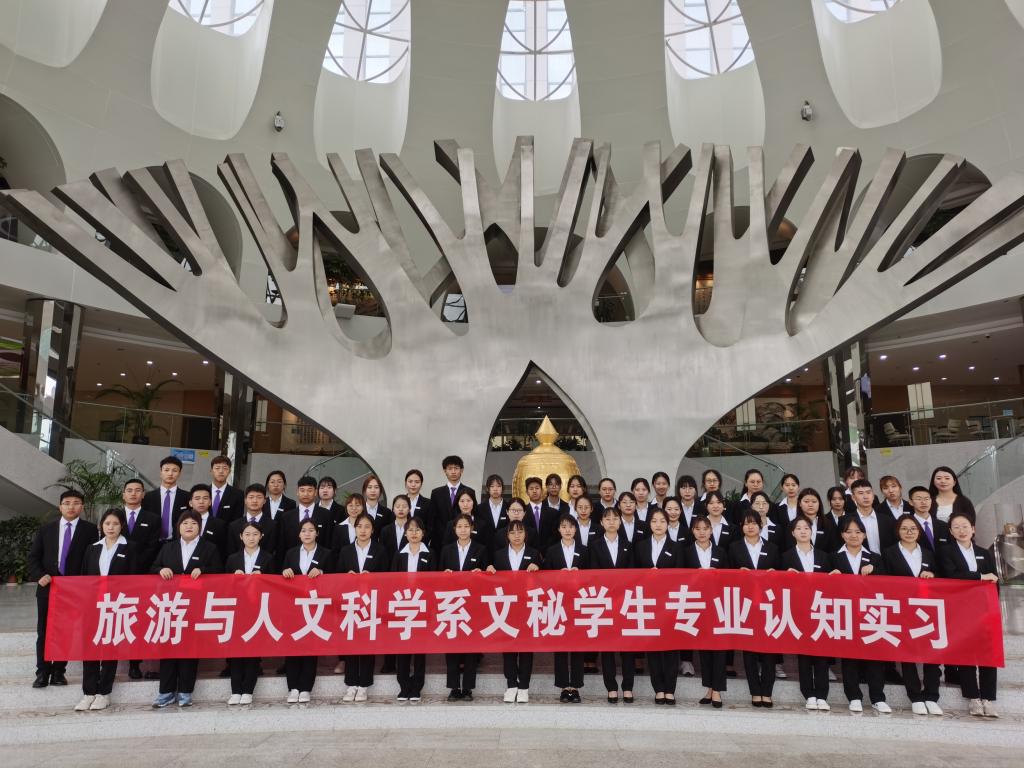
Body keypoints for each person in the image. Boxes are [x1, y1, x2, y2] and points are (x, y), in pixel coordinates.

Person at [28, 489, 98, 689]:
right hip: (48, 588)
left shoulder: (90, 530)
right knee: (44, 631)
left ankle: (59, 671)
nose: (71, 507)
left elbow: (92, 558)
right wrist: (39, 575)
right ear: (60, 506)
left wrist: (85, 584)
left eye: (76, 503)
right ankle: (42, 672)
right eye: (67, 503)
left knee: (66, 631)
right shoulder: (46, 529)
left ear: (81, 507)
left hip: (74, 590)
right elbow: (33, 557)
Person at [150, 509, 221, 707]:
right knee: (168, 648)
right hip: (171, 606)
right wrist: (160, 569)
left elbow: (220, 571)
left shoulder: (209, 548)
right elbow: (153, 567)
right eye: (185, 523)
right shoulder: (168, 547)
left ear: (200, 527)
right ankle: (166, 692)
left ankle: (185, 692)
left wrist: (204, 570)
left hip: (196, 606)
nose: (189, 526)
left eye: (194, 523)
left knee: (190, 649)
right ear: (178, 527)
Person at [938, 510, 999, 717]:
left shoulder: (984, 552)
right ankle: (973, 697)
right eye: (956, 527)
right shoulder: (946, 551)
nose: (961, 530)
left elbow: (994, 579)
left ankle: (988, 698)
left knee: (988, 654)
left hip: (984, 609)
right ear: (951, 531)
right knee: (966, 653)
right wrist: (980, 577)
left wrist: (994, 606)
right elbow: (952, 575)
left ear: (973, 529)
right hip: (960, 609)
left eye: (965, 526)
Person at [882, 515, 943, 715]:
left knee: (932, 653)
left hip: (927, 610)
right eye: (904, 528)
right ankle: (915, 696)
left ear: (919, 531)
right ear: (897, 531)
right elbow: (885, 581)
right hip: (902, 608)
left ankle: (932, 695)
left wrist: (932, 575)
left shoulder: (928, 553)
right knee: (907, 653)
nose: (909, 532)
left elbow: (940, 576)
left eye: (913, 529)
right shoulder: (889, 553)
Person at [77, 508, 135, 710]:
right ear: (101, 526)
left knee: (110, 647)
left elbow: (135, 579)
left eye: (115, 524)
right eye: (107, 523)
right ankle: (88, 692)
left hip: (116, 604)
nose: (111, 527)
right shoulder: (92, 548)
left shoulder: (130, 548)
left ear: (122, 526)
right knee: (90, 647)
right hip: (93, 605)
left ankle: (104, 692)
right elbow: (84, 577)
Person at [830, 515, 889, 713]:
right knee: (849, 657)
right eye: (849, 532)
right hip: (845, 612)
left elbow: (887, 586)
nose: (853, 535)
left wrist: (875, 571)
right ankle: (853, 696)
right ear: (842, 535)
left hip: (871, 613)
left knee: (874, 656)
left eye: (858, 532)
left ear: (864, 535)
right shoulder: (834, 557)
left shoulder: (875, 558)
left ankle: (877, 697)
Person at [728, 510, 779, 706]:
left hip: (768, 604)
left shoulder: (773, 548)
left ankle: (767, 691)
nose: (750, 527)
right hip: (745, 604)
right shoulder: (734, 548)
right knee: (748, 649)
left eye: (754, 523)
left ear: (761, 525)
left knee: (769, 648)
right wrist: (737, 573)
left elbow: (781, 575)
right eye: (746, 523)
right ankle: (755, 692)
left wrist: (775, 574)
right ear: (741, 527)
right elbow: (727, 574)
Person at [336, 512, 389, 701]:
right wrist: (347, 577)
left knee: (367, 643)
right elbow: (337, 576)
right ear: (354, 529)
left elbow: (387, 577)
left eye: (367, 527)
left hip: (371, 603)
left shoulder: (380, 550)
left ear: (373, 530)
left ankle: (364, 684)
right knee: (351, 643)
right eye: (359, 526)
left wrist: (372, 578)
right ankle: (351, 684)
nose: (363, 530)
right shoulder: (346, 551)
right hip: (350, 603)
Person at [781, 516, 831, 711]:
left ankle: (822, 695)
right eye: (799, 528)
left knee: (821, 654)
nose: (803, 531)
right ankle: (808, 694)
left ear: (812, 531)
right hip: (798, 610)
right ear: (793, 533)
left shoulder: (823, 556)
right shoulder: (786, 556)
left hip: (820, 609)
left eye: (806, 528)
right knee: (804, 655)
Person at [488, 519, 541, 703]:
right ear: (507, 535)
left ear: (526, 534)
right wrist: (490, 569)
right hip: (506, 608)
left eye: (520, 532)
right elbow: (492, 580)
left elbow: (545, 579)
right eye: (512, 532)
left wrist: (538, 568)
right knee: (508, 647)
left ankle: (524, 686)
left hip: (528, 606)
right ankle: (511, 684)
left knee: (526, 648)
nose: (516, 536)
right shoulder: (499, 555)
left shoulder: (534, 554)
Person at [224, 520, 275, 705]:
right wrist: (233, 578)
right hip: (237, 609)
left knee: (253, 651)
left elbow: (276, 585)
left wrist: (263, 578)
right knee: (236, 651)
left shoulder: (268, 558)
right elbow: (222, 586)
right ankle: (235, 690)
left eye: (255, 534)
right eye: (247, 534)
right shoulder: (232, 559)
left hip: (259, 609)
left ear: (261, 536)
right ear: (241, 536)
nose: (251, 538)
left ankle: (248, 690)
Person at [588, 505, 635, 703]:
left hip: (624, 601)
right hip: (604, 601)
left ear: (620, 522)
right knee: (607, 645)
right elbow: (593, 572)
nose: (611, 522)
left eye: (615, 519)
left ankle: (628, 687)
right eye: (607, 519)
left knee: (627, 646)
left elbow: (632, 573)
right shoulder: (595, 545)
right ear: (601, 522)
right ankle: (611, 687)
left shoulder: (628, 545)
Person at [281, 518, 330, 703]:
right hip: (294, 607)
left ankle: (305, 688)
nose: (307, 533)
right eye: (303, 530)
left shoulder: (326, 553)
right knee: (292, 646)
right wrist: (285, 572)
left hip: (316, 607)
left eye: (311, 530)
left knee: (310, 647)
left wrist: (322, 573)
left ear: (317, 533)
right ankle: (293, 687)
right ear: (299, 534)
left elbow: (335, 577)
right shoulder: (291, 553)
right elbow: (281, 575)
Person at [681, 515, 728, 707]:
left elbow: (729, 578)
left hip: (718, 605)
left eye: (705, 528)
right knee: (705, 649)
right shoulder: (686, 552)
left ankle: (717, 690)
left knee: (719, 648)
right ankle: (709, 688)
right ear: (693, 531)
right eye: (698, 528)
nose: (702, 532)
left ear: (711, 530)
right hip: (696, 604)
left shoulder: (721, 552)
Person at [440, 511, 488, 699]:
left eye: (466, 526)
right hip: (451, 603)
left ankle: (467, 687)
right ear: (454, 529)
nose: (463, 530)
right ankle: (453, 687)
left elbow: (487, 576)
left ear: (472, 529)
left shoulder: (481, 549)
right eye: (459, 526)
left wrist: (481, 573)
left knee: (471, 646)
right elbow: (438, 576)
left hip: (472, 603)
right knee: (452, 645)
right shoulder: (446, 550)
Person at [634, 509, 679, 704]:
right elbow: (633, 574)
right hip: (648, 602)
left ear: (668, 524)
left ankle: (670, 689)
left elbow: (682, 575)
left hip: (670, 603)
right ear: (649, 524)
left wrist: (663, 577)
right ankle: (658, 688)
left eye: (662, 521)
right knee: (653, 646)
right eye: (654, 521)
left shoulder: (676, 547)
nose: (658, 524)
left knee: (671, 646)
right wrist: (647, 575)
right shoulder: (641, 546)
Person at [121, 478, 161, 680]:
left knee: (138, 620)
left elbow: (153, 547)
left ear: (143, 495)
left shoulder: (152, 518)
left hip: (143, 576)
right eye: (129, 490)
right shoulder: (114, 516)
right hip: (118, 577)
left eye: (138, 490)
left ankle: (135, 664)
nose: (133, 494)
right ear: (123, 494)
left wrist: (135, 566)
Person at [392, 516, 433, 701]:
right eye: (410, 530)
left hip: (422, 606)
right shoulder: (399, 554)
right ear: (405, 533)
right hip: (403, 606)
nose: (414, 533)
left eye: (417, 530)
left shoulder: (430, 554)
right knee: (402, 647)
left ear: (423, 533)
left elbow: (435, 582)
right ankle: (403, 685)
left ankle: (417, 686)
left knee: (419, 648)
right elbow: (392, 581)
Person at [546, 514, 585, 702]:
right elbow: (545, 575)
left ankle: (575, 686)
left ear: (576, 529)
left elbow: (594, 574)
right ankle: (563, 686)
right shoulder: (552, 550)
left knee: (577, 644)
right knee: (561, 644)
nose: (567, 530)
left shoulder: (584, 550)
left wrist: (580, 574)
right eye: (564, 527)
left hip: (579, 602)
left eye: (571, 527)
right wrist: (557, 575)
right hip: (559, 601)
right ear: (559, 530)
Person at [430, 455, 476, 547]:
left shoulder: (469, 491)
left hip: (464, 539)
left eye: (456, 468)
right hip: (440, 541)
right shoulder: (436, 493)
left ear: (461, 470)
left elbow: (474, 514)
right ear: (445, 471)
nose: (453, 471)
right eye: (450, 468)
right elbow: (433, 519)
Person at [141, 455, 190, 543]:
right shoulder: (148, 497)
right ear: (161, 472)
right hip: (153, 543)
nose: (170, 473)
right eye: (166, 470)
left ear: (179, 473)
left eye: (174, 470)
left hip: (177, 543)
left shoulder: (187, 497)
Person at [280, 475, 333, 552]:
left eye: (309, 490)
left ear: (315, 492)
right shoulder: (287, 517)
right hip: (293, 558)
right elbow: (282, 545)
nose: (306, 494)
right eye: (302, 490)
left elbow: (328, 542)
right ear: (297, 492)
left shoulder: (326, 515)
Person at [849, 478, 896, 555]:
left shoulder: (888, 520)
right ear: (853, 497)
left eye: (868, 492)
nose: (865, 496)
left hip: (885, 561)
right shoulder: (847, 520)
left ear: (873, 495)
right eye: (861, 493)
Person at [228, 484, 277, 556]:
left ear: (264, 501)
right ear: (245, 500)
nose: (255, 500)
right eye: (251, 497)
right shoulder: (234, 526)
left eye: (259, 497)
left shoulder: (273, 525)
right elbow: (231, 552)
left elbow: (272, 550)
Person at [189, 483, 228, 562]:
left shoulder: (220, 525)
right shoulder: (182, 522)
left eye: (205, 498)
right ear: (190, 503)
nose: (201, 502)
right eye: (197, 498)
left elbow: (222, 550)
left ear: (210, 502)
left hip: (210, 565)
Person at [908, 485, 949, 558]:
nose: (923, 502)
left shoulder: (943, 525)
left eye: (927, 499)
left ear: (931, 501)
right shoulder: (907, 526)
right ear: (911, 502)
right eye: (919, 499)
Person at [794, 488, 837, 552]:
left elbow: (833, 549)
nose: (810, 505)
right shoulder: (793, 525)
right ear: (800, 503)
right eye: (806, 501)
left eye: (814, 502)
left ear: (819, 503)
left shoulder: (828, 524)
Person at [475, 474, 509, 550]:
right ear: (487, 489)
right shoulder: (479, 508)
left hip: (504, 548)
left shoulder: (508, 507)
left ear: (502, 488)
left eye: (498, 486)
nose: (495, 489)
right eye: (492, 486)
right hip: (484, 548)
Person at [524, 476, 559, 549]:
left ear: (542, 490)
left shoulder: (553, 513)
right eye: (531, 489)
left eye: (537, 488)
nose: (534, 491)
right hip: (528, 551)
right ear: (527, 492)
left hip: (548, 552)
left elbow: (555, 535)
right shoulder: (523, 512)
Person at [209, 455, 245, 522]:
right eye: (217, 468)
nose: (221, 471)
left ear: (229, 471)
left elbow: (237, 521)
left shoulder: (238, 494)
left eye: (225, 468)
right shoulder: (204, 491)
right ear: (211, 471)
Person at [381, 493, 412, 562]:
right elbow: (382, 552)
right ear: (393, 509)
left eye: (404, 506)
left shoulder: (413, 530)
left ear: (409, 509)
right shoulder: (385, 530)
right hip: (389, 565)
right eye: (397, 506)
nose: (401, 509)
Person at [404, 469, 434, 534]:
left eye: (417, 482)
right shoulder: (399, 502)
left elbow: (430, 527)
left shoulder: (428, 503)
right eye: (410, 481)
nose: (413, 485)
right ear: (405, 483)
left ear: (421, 484)